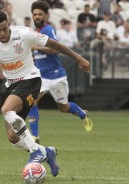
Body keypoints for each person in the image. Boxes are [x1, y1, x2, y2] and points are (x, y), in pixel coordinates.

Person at [0, 10, 90, 177]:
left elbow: (53, 44)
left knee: (6, 110)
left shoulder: (24, 33)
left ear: (9, 23)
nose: (2, 33)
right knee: (12, 137)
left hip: (31, 80)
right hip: (11, 85)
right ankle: (46, 151)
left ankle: (36, 152)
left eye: (5, 28)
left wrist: (78, 58)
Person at [27, 1, 93, 144]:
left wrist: (36, 47)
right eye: (35, 14)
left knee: (63, 108)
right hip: (40, 76)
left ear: (46, 15)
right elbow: (36, 53)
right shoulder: (33, 32)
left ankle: (83, 114)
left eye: (40, 14)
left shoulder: (48, 29)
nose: (37, 17)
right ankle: (35, 136)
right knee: (31, 102)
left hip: (56, 75)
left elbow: (54, 49)